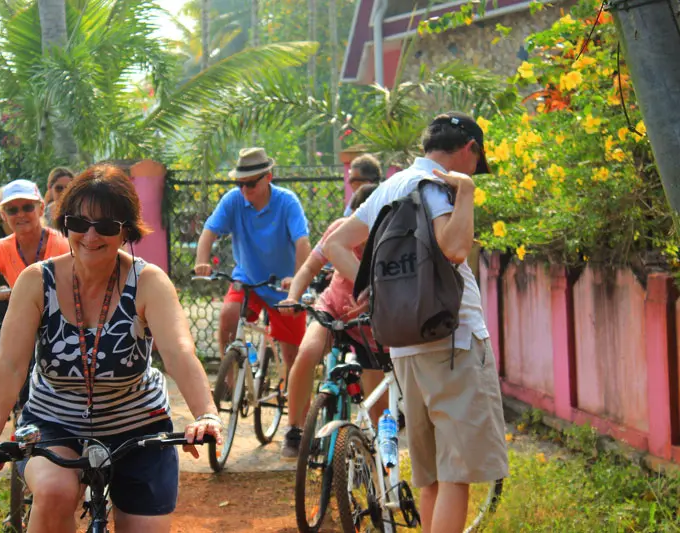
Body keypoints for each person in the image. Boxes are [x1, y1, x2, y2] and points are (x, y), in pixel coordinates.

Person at [0, 164, 223, 533]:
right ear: (64, 223)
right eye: (78, 223)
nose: (90, 235)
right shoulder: (37, 281)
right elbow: (8, 365)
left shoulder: (148, 281)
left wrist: (206, 414)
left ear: (126, 231)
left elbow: (180, 352)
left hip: (138, 424)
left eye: (105, 226)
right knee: (53, 493)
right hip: (53, 423)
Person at [324, 112, 509, 533]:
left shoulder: (389, 187)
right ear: (470, 150)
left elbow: (333, 244)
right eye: (474, 164)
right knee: (456, 476)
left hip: (405, 345)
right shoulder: (438, 187)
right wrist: (467, 193)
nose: (471, 171)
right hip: (453, 341)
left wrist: (375, 289)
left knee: (431, 478)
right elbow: (456, 249)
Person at [277, 183, 387, 458]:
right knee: (307, 353)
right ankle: (294, 429)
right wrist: (293, 297)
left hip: (371, 328)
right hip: (333, 309)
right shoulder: (340, 229)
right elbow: (309, 268)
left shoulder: (390, 237)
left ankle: (375, 463)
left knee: (379, 415)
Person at [193, 147, 311, 371]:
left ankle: (291, 396)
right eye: (240, 184)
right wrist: (202, 262)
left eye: (251, 184)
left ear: (268, 177)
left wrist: (296, 279)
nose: (244, 189)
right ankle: (229, 382)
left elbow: (302, 243)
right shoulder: (233, 200)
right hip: (248, 280)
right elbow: (208, 232)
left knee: (293, 357)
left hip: (284, 287)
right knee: (228, 317)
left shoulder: (287, 202)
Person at [0, 180, 70, 418]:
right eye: (12, 210)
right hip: (10, 315)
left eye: (27, 207)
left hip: (54, 319)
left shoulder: (62, 243)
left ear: (41, 209)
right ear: (3, 215)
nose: (20, 214)